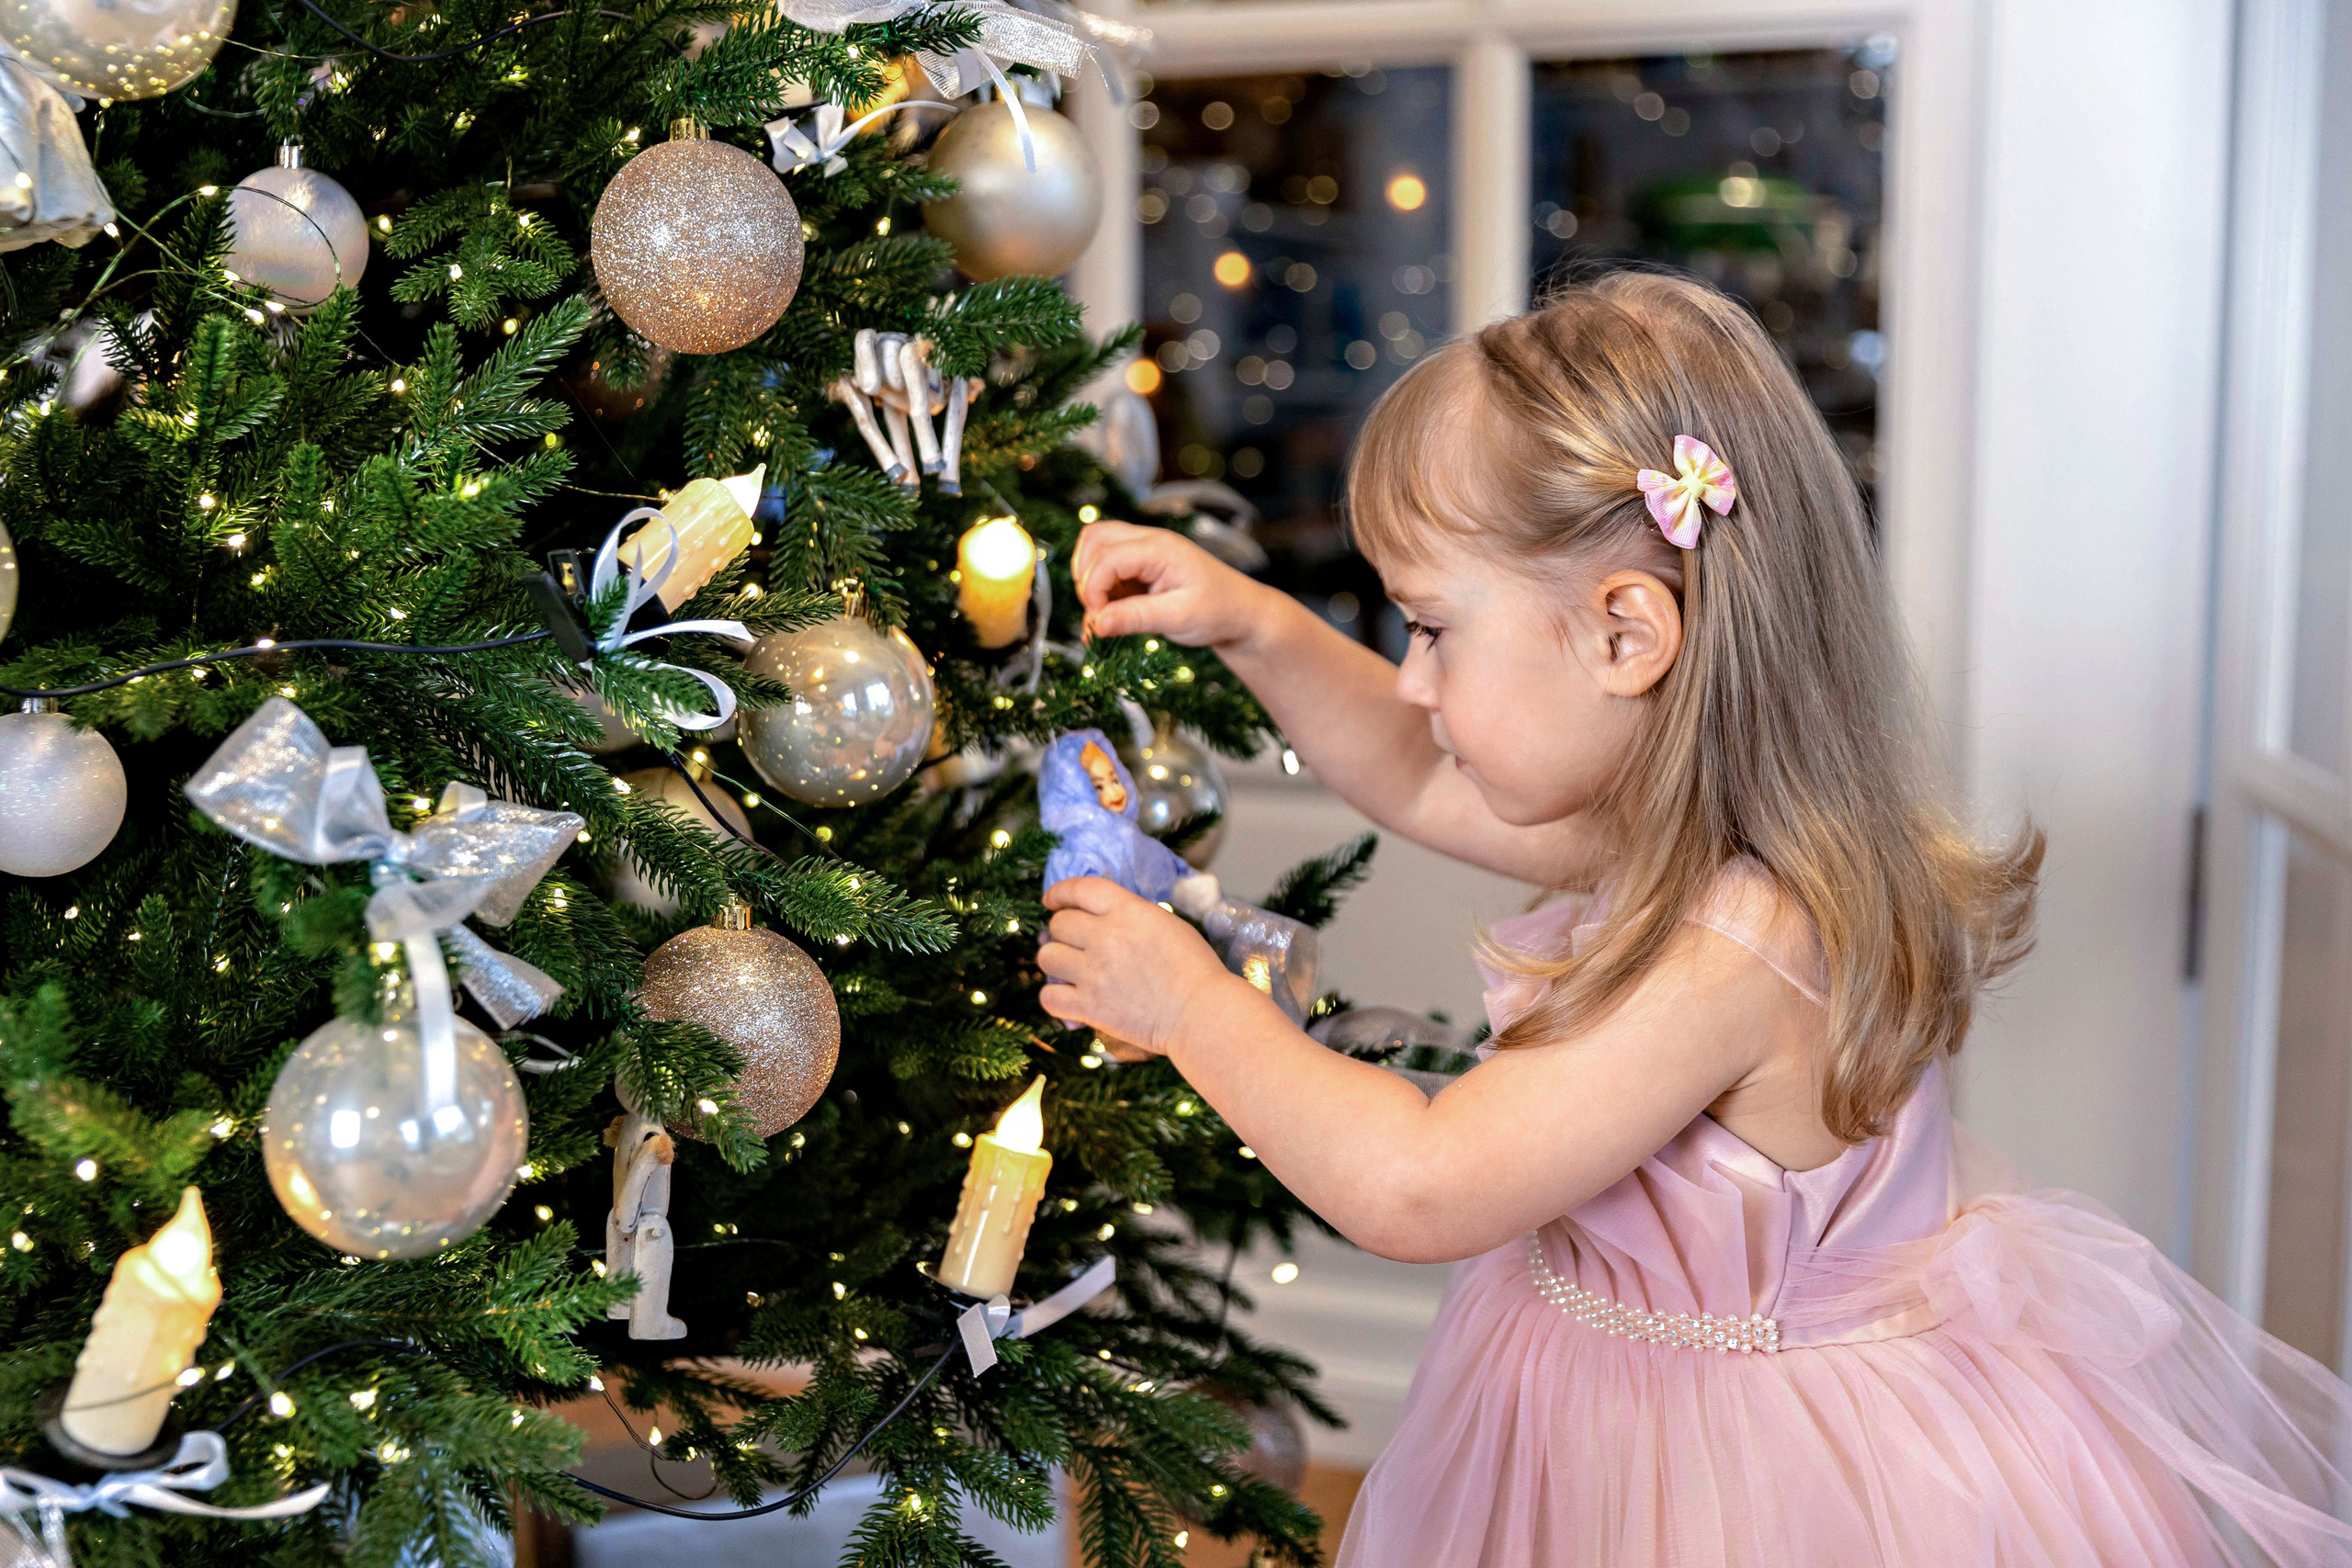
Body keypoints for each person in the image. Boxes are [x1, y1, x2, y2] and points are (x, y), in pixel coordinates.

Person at [1035, 271, 2352, 1565]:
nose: (1415, 683)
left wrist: (1192, 1008)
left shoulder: (1742, 937)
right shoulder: (1687, 836)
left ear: (1627, 636)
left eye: (1431, 628)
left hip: (1740, 1479)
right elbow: (1414, 772)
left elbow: (1421, 1186)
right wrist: (1255, 627)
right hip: (1594, 1406)